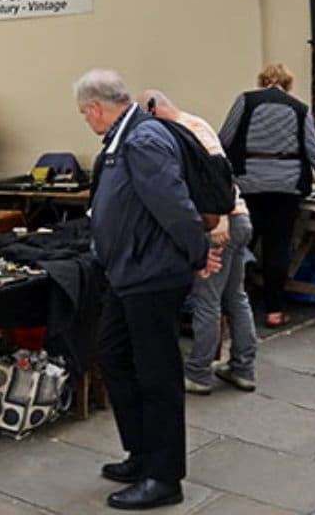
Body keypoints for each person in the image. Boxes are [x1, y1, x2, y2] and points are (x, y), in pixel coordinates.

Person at [76, 70, 214, 510]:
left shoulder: (141, 139)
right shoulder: (123, 138)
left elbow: (174, 205)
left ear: (96, 108)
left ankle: (164, 477)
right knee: (114, 355)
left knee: (157, 375)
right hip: (126, 273)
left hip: (151, 274)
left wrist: (198, 251)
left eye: (84, 114)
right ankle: (141, 453)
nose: (86, 121)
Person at [140, 91, 257, 395]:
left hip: (220, 222)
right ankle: (243, 369)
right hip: (239, 218)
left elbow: (218, 177)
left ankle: (198, 374)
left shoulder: (180, 133)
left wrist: (219, 219)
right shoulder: (198, 124)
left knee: (208, 301)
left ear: (153, 110)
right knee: (236, 297)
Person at [219, 64, 315, 328]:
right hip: (287, 187)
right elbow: (314, 150)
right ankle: (274, 311)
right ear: (287, 83)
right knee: (277, 248)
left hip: (248, 184)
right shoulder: (300, 109)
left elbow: (224, 139)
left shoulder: (245, 100)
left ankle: (233, 307)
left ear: (263, 81)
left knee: (243, 245)